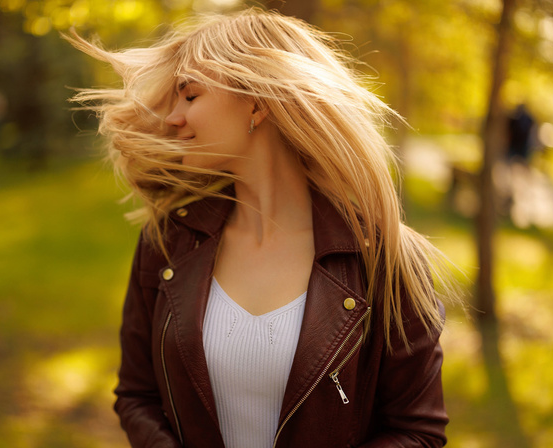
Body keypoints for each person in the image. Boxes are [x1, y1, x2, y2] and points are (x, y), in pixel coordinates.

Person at [69, 9, 460, 447]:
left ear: (257, 103)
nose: (172, 118)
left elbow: (417, 431)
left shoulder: (383, 259)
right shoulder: (166, 243)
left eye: (190, 96)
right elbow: (137, 397)